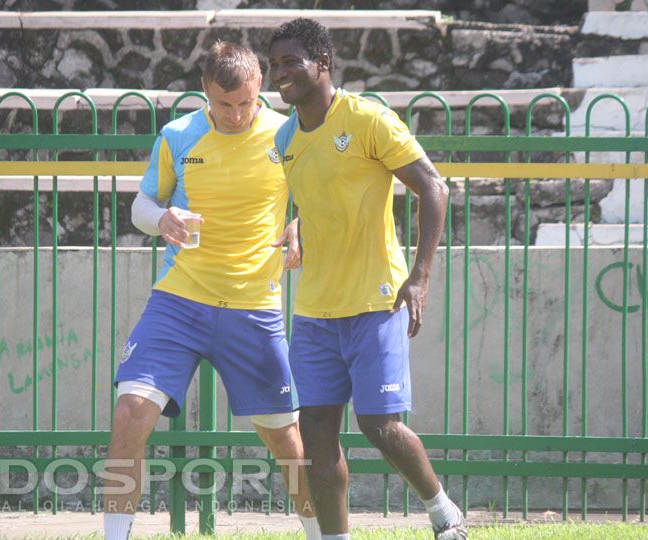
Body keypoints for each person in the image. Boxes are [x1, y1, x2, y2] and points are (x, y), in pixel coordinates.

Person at [102, 41, 319, 540]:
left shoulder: (288, 134)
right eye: (225, 104)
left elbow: (318, 196)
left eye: (246, 103)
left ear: (260, 88)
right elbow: (141, 205)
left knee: (288, 440)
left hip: (253, 306)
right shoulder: (177, 135)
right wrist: (163, 217)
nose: (237, 114)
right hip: (179, 301)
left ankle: (320, 534)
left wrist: (301, 226)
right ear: (205, 92)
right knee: (129, 413)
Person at [268, 18, 466, 540]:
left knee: (379, 426)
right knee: (315, 434)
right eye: (275, 65)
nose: (280, 73)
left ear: (323, 65)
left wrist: (420, 278)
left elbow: (435, 189)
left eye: (291, 62)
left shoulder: (368, 119)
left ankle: (443, 512)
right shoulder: (286, 137)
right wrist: (296, 226)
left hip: (377, 303)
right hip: (313, 311)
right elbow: (315, 200)